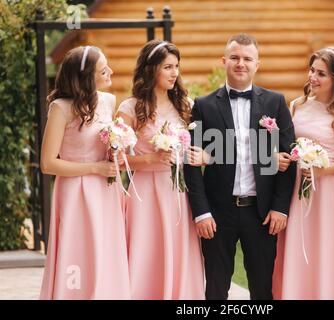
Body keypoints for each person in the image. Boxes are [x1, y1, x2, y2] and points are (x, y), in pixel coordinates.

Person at [184, 33, 296, 300]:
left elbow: (290, 157)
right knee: (215, 287)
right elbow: (191, 162)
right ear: (224, 60)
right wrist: (201, 213)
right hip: (217, 213)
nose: (240, 63)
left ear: (258, 64)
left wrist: (280, 207)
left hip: (262, 213)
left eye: (247, 59)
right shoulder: (203, 106)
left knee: (261, 288)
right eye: (234, 57)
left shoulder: (275, 103)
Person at [40, 46, 131, 299]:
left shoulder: (108, 101)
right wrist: (94, 168)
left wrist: (118, 151)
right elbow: (48, 163)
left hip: (107, 191)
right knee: (78, 254)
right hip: (75, 191)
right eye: (104, 69)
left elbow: (106, 143)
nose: (110, 71)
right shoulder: (60, 108)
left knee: (106, 251)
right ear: (86, 78)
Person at [116, 40, 205, 299]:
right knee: (146, 250)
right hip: (143, 191)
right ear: (151, 68)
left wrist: (205, 156)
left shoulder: (186, 105)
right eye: (167, 67)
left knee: (178, 249)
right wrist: (149, 159)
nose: (174, 73)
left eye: (176, 66)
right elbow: (115, 159)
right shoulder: (130, 108)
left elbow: (203, 150)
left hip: (178, 190)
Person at [272, 47, 334, 299]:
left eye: (321, 73)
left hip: (330, 195)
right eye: (312, 70)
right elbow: (285, 145)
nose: (313, 77)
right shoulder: (296, 105)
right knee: (297, 249)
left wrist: (327, 169)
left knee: (326, 251)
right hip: (295, 190)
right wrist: (279, 157)